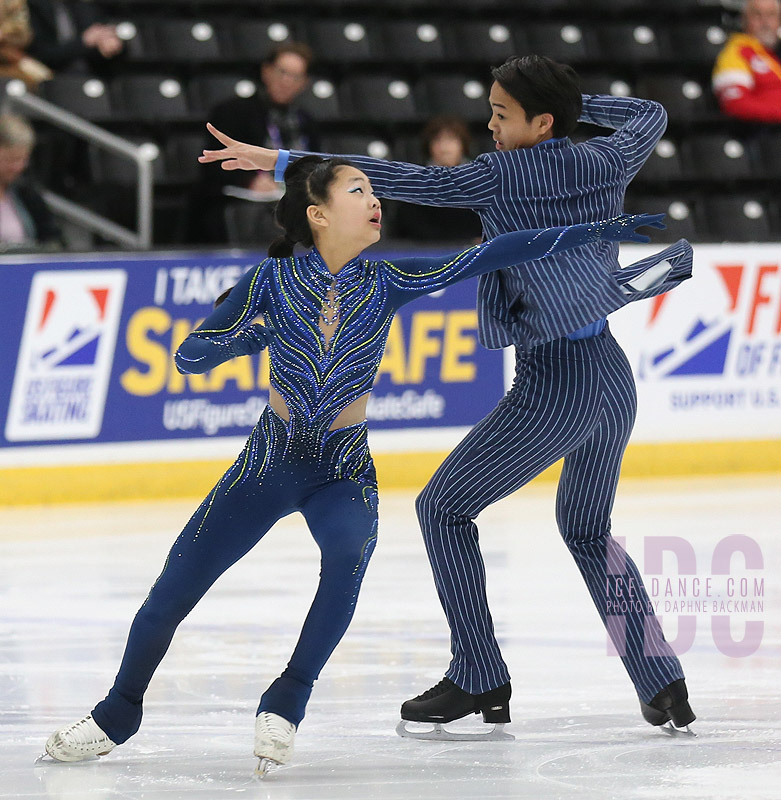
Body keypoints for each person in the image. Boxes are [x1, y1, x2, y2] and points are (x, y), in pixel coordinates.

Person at [42, 152, 682, 774]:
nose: (375, 200)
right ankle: (118, 709)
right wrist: (249, 338)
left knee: (346, 563)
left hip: (343, 474)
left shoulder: (387, 282)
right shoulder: (268, 283)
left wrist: (594, 231)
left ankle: (286, 701)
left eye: (375, 192)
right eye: (357, 192)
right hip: (268, 464)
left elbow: (490, 254)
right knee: (172, 593)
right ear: (317, 214)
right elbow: (189, 356)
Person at [198, 54, 698, 739]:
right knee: (585, 529)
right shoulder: (609, 156)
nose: (488, 125)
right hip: (610, 374)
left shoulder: (500, 175)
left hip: (557, 380)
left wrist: (285, 160)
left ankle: (478, 672)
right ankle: (661, 682)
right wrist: (579, 109)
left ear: (539, 122)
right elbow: (650, 113)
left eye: (501, 115)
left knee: (442, 508)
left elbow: (400, 179)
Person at [192, 41, 319, 244]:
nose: (286, 81)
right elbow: (212, 167)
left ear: (303, 83)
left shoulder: (307, 122)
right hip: (246, 204)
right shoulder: (233, 112)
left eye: (295, 77)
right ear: (266, 71)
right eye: (282, 72)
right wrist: (248, 181)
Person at [394, 115, 482, 243]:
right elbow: (410, 223)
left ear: (463, 145)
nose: (444, 147)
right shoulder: (415, 181)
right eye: (438, 140)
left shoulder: (477, 180)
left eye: (451, 139)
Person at [712, 0, 781, 124]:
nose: (765, 22)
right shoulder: (736, 52)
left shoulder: (773, 53)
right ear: (743, 20)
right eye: (757, 15)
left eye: (771, 15)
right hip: (764, 134)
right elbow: (735, 104)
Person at [0, 113, 62, 250]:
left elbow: (52, 238)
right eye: (10, 159)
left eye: (22, 160)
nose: (17, 167)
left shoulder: (26, 193)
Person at [26, 0, 123, 74]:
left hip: (90, 72)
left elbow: (97, 30)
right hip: (51, 76)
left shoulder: (80, 5)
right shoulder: (32, 7)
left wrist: (106, 40)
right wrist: (84, 41)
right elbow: (41, 55)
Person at [0, 0, 53, 88]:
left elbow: (24, 36)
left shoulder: (14, 2)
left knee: (43, 77)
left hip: (9, 53)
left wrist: (4, 34)